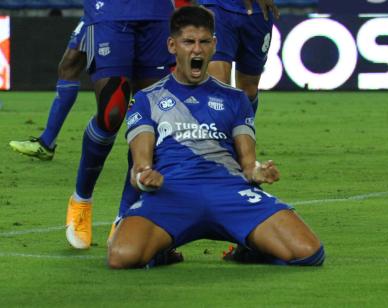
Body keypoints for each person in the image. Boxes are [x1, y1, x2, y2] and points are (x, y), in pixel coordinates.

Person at [108, 6, 324, 269]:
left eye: (204, 42)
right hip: (173, 193)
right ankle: (163, 252)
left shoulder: (235, 99)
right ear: (172, 45)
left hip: (230, 191)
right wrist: (143, 176)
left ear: (214, 45)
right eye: (188, 42)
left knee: (308, 252)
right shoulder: (146, 100)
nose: (197, 50)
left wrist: (257, 172)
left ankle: (250, 251)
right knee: (122, 256)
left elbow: (247, 163)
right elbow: (139, 165)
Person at [64, 0, 176, 250]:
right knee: (111, 112)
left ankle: (126, 214)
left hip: (157, 13)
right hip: (109, 11)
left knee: (152, 116)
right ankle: (81, 200)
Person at [9, 17, 87, 161]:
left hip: (105, 12)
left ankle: (47, 143)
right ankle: (47, 142)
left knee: (69, 68)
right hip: (106, 12)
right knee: (69, 67)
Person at [198, 0, 279, 113]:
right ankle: (221, 130)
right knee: (219, 83)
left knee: (249, 89)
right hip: (218, 8)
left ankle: (243, 129)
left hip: (257, 12)